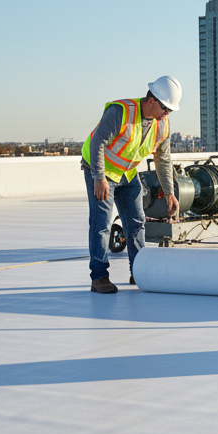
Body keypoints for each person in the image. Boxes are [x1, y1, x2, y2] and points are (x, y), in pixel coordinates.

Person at [81, 76, 181, 293]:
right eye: (165, 108)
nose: (167, 113)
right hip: (101, 171)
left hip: (127, 173)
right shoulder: (121, 112)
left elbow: (163, 159)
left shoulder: (162, 125)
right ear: (152, 100)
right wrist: (99, 178)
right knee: (101, 224)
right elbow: (97, 142)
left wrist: (170, 192)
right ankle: (99, 277)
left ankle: (139, 271)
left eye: (170, 110)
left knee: (136, 222)